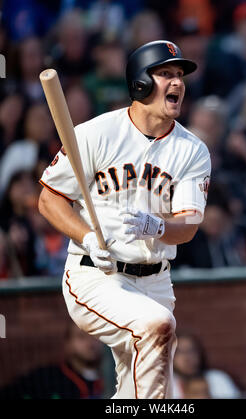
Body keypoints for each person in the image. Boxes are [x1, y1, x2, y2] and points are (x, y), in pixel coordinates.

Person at [38, 40, 211, 399]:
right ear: (141, 83)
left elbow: (189, 226)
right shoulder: (97, 133)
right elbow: (49, 199)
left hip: (155, 281)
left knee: (139, 389)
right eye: (166, 74)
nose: (178, 83)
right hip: (96, 274)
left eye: (180, 75)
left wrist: (159, 227)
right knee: (158, 326)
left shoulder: (193, 150)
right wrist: (85, 235)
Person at [0, 321, 104, 399]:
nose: (90, 343)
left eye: (95, 336)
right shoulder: (46, 379)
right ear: (68, 344)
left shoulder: (113, 376)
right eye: (81, 337)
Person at [173, 332, 243, 399]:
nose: (186, 357)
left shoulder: (217, 378)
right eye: (179, 352)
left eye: (191, 350)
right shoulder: (167, 384)